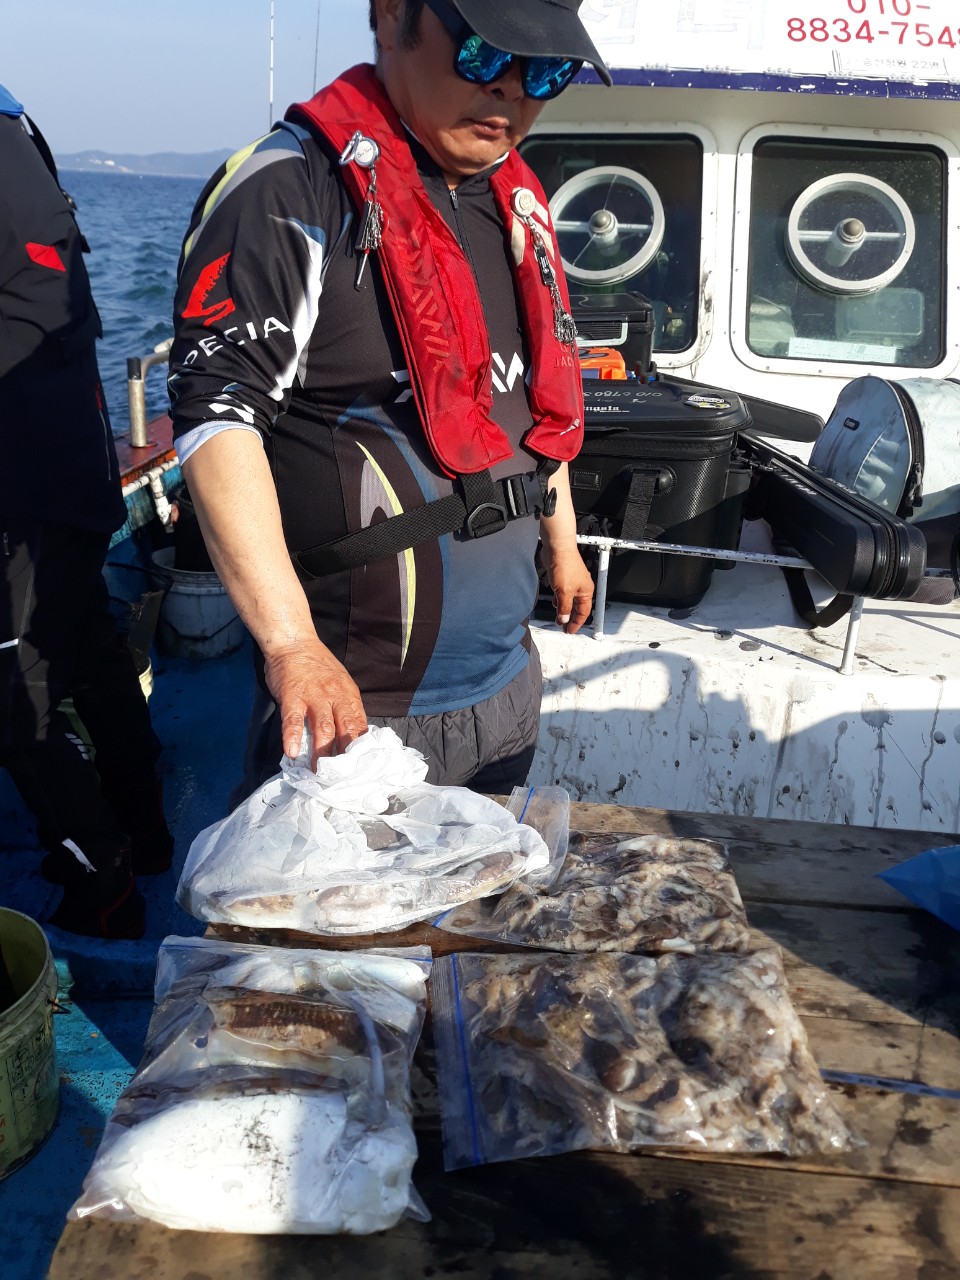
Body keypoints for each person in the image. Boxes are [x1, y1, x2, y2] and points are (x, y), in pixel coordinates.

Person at [169, 0, 610, 793]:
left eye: (547, 69)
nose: (512, 88)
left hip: (508, 684)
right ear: (392, 14)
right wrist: (292, 646)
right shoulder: (291, 189)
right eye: (485, 52)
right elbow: (216, 417)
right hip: (353, 716)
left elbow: (535, 405)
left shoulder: (516, 205)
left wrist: (564, 543)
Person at [0, 85, 172, 939]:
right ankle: (146, 834)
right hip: (76, 461)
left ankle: (101, 886)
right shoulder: (19, 134)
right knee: (91, 646)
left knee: (17, 691)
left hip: (22, 484)